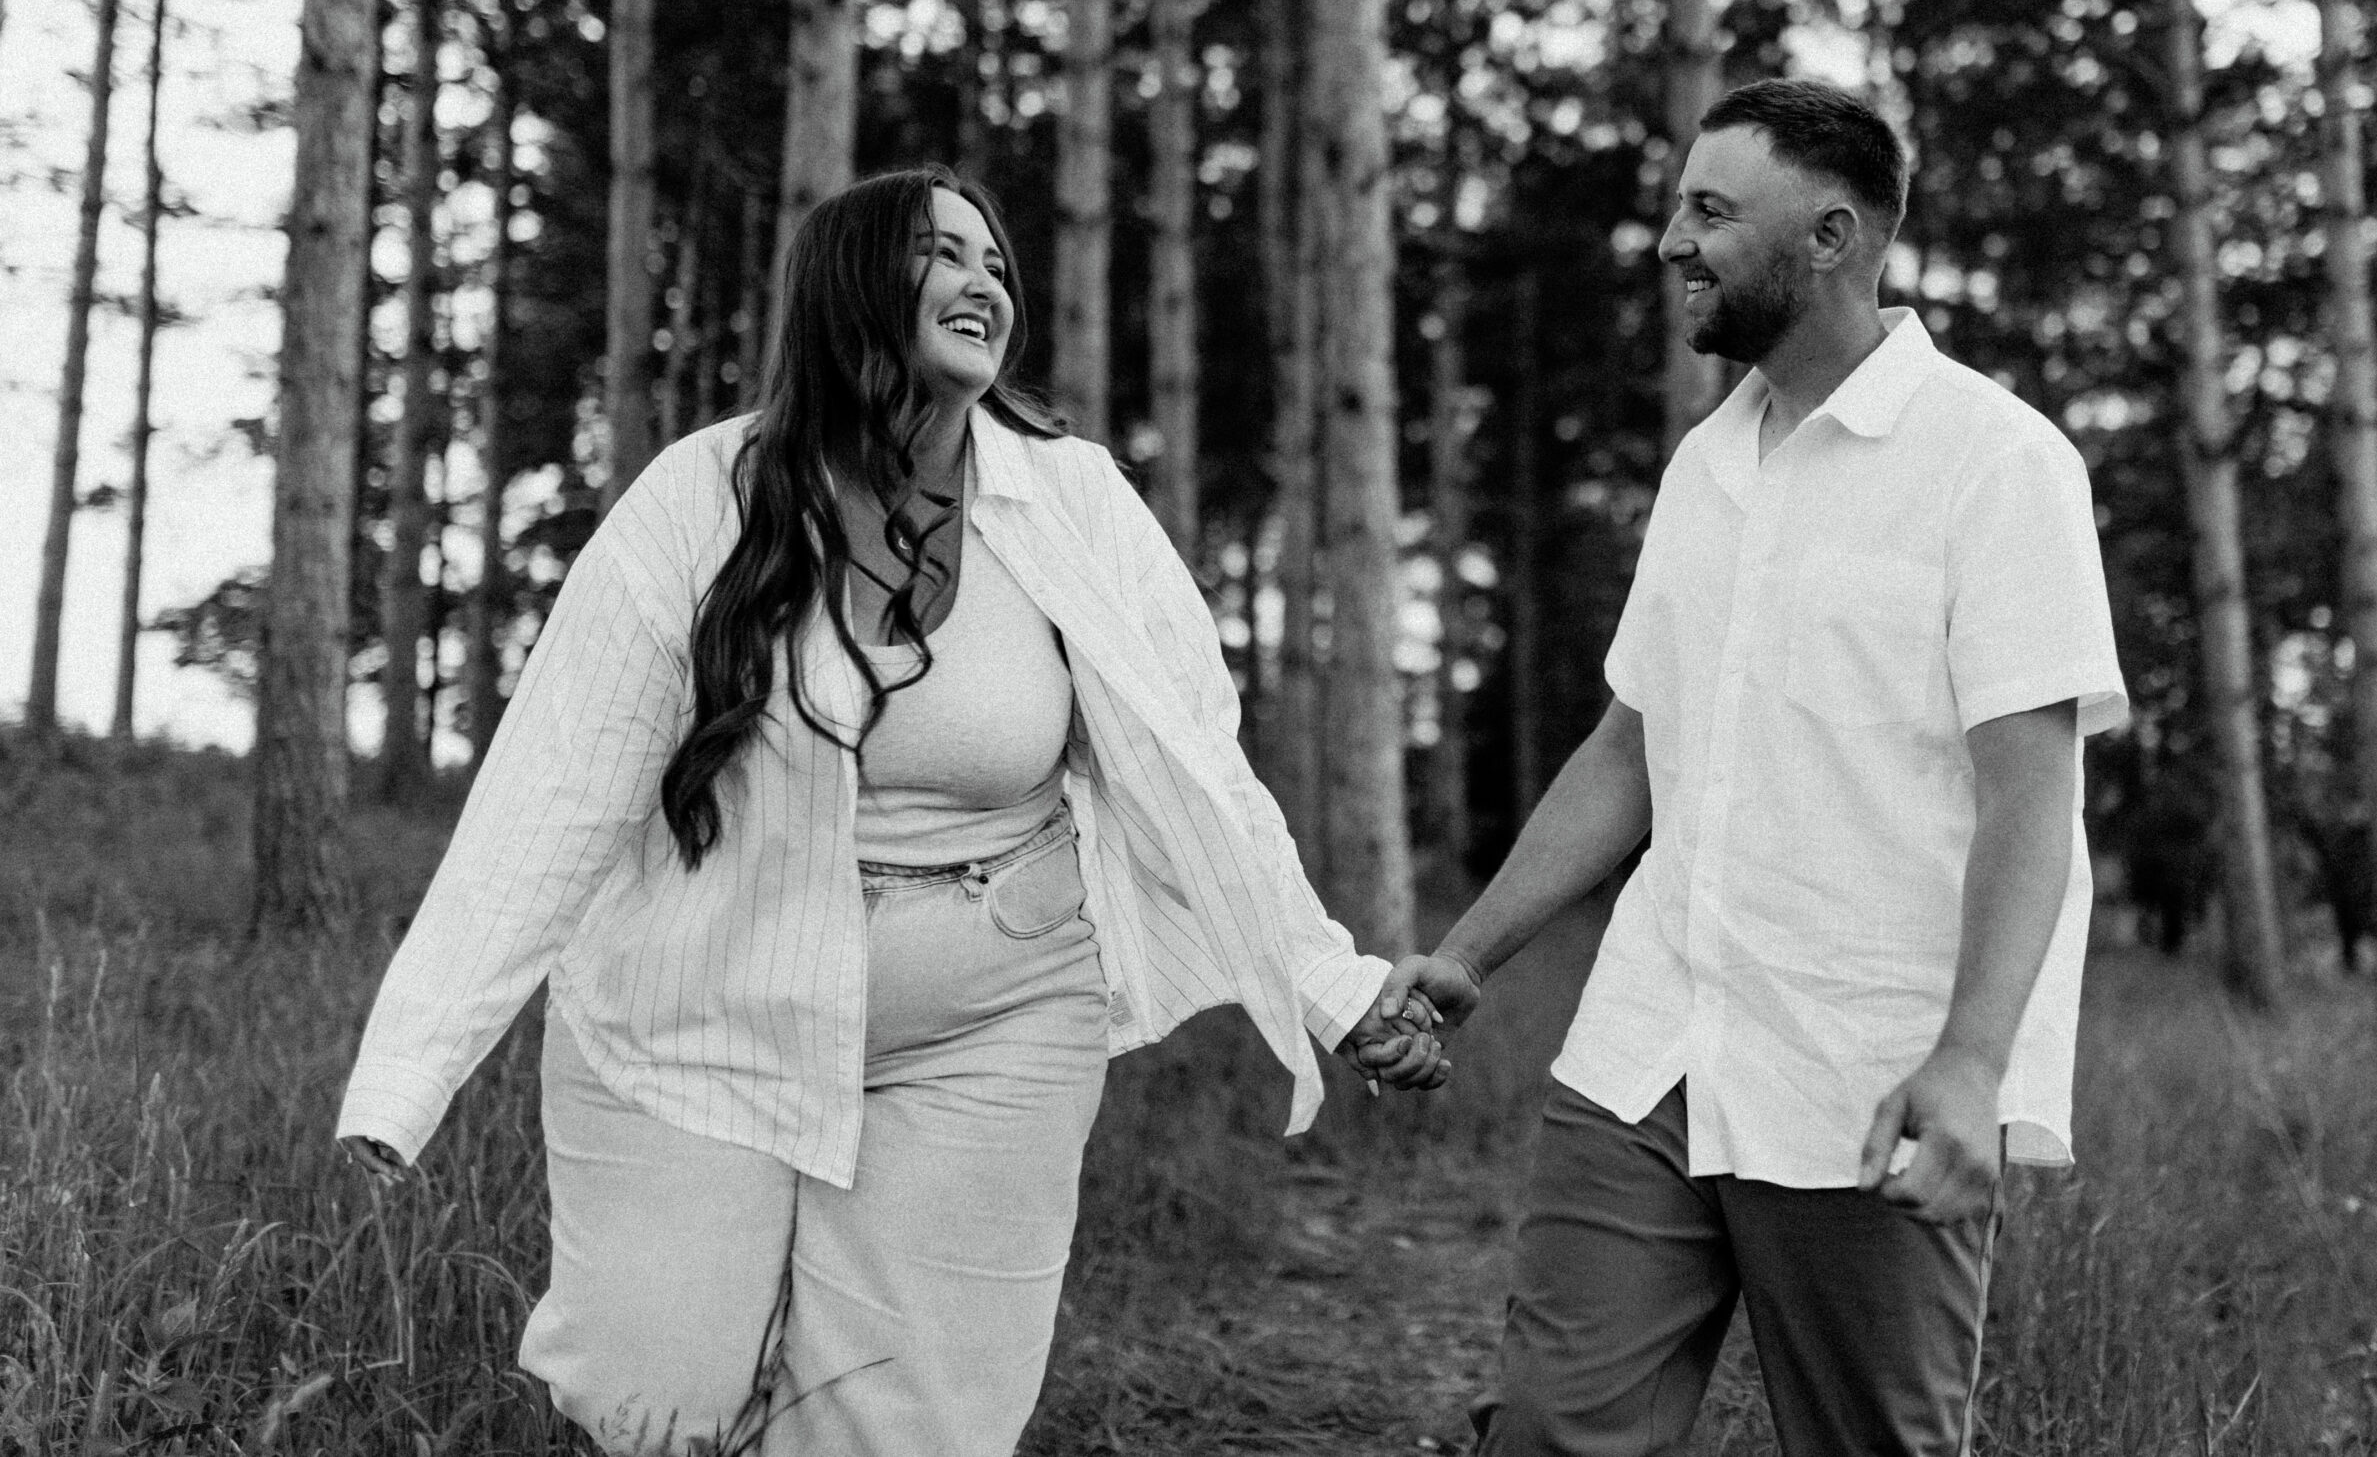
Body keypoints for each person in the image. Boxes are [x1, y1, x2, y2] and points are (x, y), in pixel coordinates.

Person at [335, 165, 1447, 1457]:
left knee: (907, 1426)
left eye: (998, 265)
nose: (986, 284)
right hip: (703, 997)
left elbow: (1196, 771)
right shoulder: (704, 499)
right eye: (945, 254)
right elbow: (552, 794)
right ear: (855, 284)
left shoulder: (1071, 498)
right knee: (655, 1397)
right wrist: (406, 1079)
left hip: (1001, 1010)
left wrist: (1336, 984)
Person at [1380, 79, 2126, 1457]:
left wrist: (1974, 1062)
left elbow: (2034, 795)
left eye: (1711, 210)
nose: (1671, 239)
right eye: (1677, 205)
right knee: (1547, 1434)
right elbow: (1631, 746)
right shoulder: (1704, 469)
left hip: (1863, 1076)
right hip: (1650, 1049)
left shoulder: (1998, 463)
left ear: (1832, 236)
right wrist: (1470, 955)